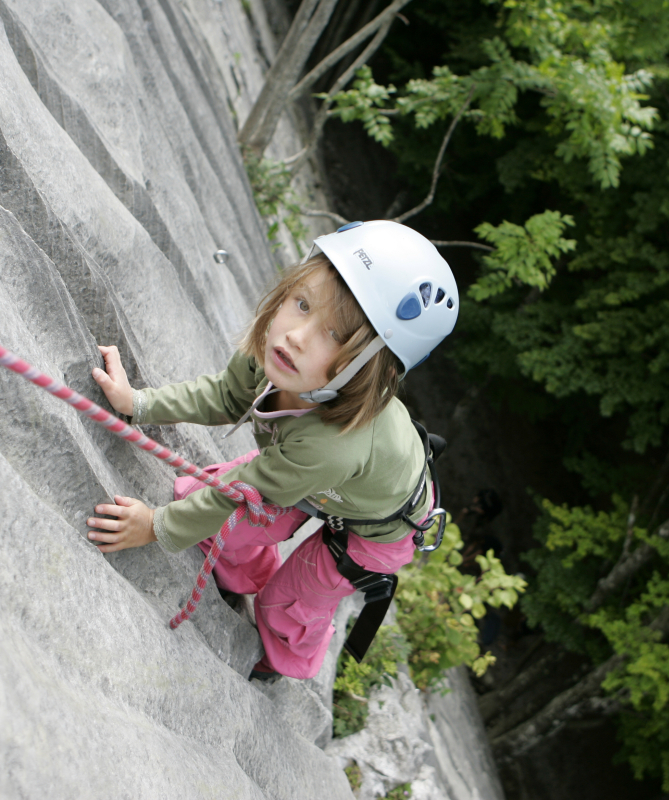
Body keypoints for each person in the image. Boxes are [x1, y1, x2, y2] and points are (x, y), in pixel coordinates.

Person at [86, 220, 459, 681]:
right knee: (197, 503)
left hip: (376, 529)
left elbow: (239, 490)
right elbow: (224, 396)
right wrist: (139, 403)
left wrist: (156, 527)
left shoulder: (334, 446)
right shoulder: (278, 354)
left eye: (335, 336)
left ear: (370, 369)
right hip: (310, 476)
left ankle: (286, 659)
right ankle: (243, 575)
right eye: (302, 303)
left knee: (289, 604)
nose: (298, 335)